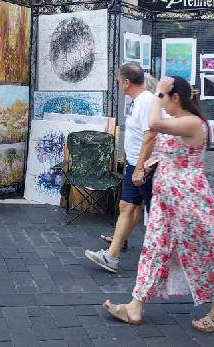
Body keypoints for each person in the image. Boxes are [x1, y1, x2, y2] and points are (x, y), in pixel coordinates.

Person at [103, 76, 214, 331]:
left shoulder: (193, 122)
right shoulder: (180, 122)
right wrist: (152, 163)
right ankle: (135, 306)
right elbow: (171, 150)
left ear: (175, 97)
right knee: (155, 250)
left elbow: (154, 123)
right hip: (168, 201)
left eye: (165, 99)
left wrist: (157, 92)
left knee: (201, 254)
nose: (163, 104)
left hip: (188, 201)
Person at [85, 63, 156, 273]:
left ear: (126, 82)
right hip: (135, 163)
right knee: (127, 206)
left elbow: (150, 136)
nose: (118, 85)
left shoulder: (146, 101)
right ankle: (112, 255)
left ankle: (164, 259)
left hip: (145, 167)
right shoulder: (137, 101)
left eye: (118, 81)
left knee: (154, 213)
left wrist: (140, 168)